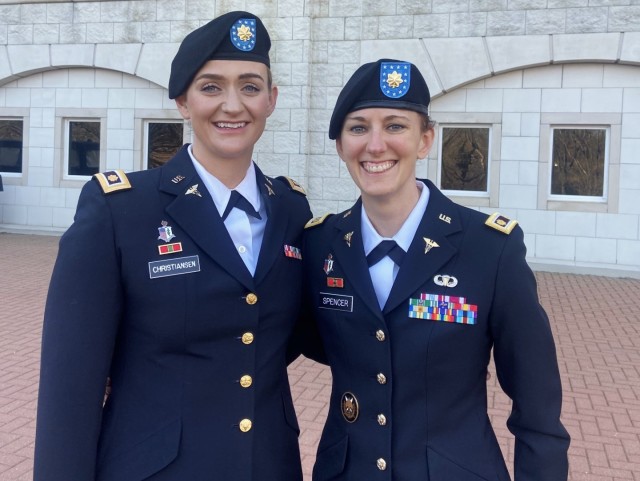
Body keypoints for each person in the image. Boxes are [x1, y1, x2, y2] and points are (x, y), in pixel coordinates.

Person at [34, 11, 311, 481]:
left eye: (249, 86)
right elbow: (70, 388)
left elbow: (280, 337)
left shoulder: (291, 210)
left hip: (268, 465)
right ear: (182, 102)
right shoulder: (121, 211)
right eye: (210, 87)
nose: (232, 105)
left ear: (271, 99)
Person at [301, 59, 570, 480]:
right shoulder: (320, 246)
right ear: (340, 146)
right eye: (358, 128)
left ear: (425, 140)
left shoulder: (488, 249)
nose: (375, 145)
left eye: (395, 126)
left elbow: (537, 405)